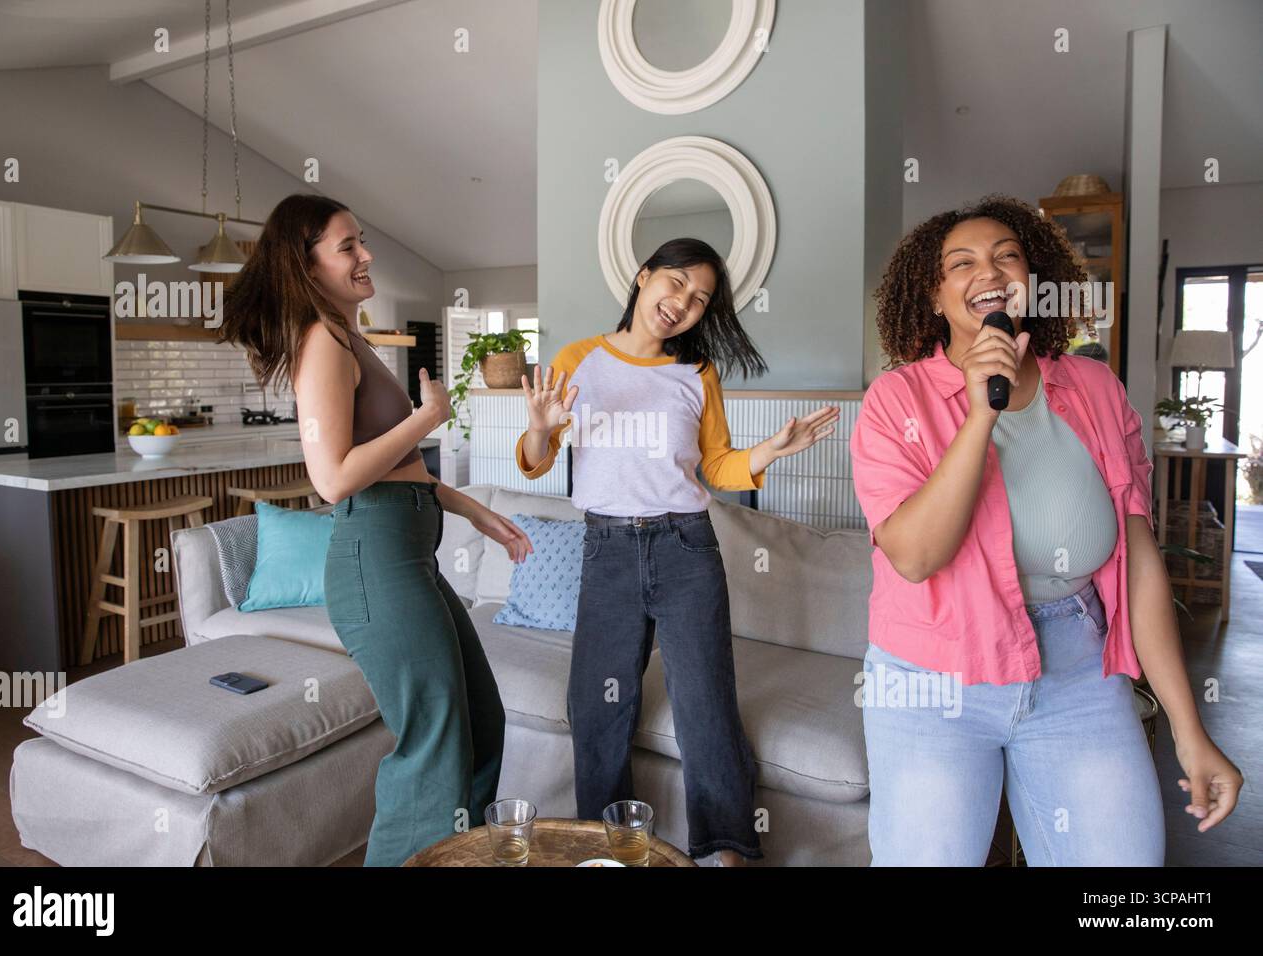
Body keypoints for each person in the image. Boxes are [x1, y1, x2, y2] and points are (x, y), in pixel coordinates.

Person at [850, 194, 1242, 865]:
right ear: (935, 297)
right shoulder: (897, 400)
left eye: (1008, 256)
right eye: (962, 262)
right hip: (932, 683)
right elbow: (915, 556)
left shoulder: (1095, 388)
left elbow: (1139, 562)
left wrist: (1187, 728)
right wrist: (979, 415)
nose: (991, 271)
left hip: (1078, 673)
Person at [219, 193, 533, 865]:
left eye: (362, 241)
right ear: (307, 269)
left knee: (481, 722)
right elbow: (332, 478)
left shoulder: (349, 337)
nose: (366, 255)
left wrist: (476, 510)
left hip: (405, 553)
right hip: (374, 561)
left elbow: (391, 463)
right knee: (434, 747)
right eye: (347, 247)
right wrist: (429, 416)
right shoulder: (322, 345)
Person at [516, 238, 840, 865]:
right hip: (606, 547)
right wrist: (538, 426)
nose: (683, 304)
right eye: (675, 283)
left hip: (685, 547)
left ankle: (726, 852)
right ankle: (608, 852)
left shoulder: (697, 373)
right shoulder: (578, 359)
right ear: (642, 277)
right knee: (597, 706)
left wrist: (767, 452)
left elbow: (716, 463)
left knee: (706, 706)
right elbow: (538, 460)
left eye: (700, 299)